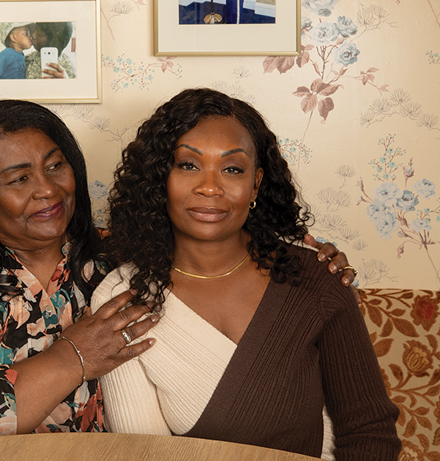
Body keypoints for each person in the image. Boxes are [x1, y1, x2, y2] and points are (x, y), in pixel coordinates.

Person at [0, 100, 357, 450]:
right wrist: (72, 358)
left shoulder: (111, 256)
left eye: (56, 166)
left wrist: (303, 252)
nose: (47, 190)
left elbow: (215, 235)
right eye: (18, 179)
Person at [93, 89, 400, 460]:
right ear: (160, 179)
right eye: (188, 165)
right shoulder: (124, 296)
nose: (210, 186)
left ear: (255, 183)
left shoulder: (314, 277)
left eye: (232, 169)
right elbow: (146, 454)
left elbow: (369, 431)